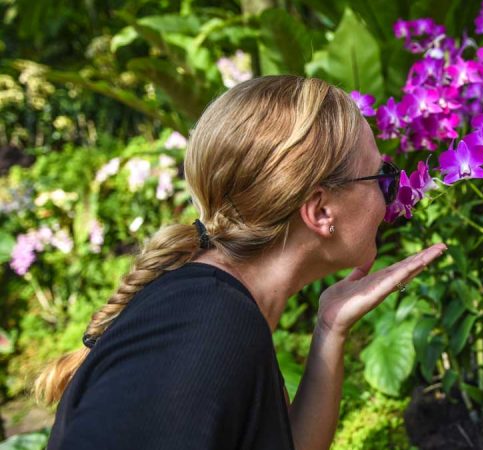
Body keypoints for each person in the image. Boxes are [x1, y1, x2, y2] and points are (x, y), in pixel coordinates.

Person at [35, 75, 447, 450]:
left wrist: (330, 329)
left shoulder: (220, 307)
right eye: (381, 176)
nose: (390, 194)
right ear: (320, 210)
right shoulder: (205, 330)